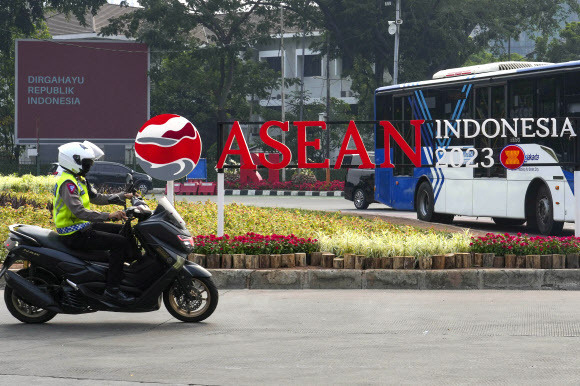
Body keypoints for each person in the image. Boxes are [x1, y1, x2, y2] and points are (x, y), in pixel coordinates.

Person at [53, 141, 136, 305]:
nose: (89, 166)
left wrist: (122, 196)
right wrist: (109, 215)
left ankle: (124, 271)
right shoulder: (67, 183)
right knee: (119, 243)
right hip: (73, 233)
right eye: (86, 163)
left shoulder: (78, 179)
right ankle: (112, 290)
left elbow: (96, 197)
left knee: (122, 231)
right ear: (73, 161)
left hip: (82, 227)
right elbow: (79, 211)